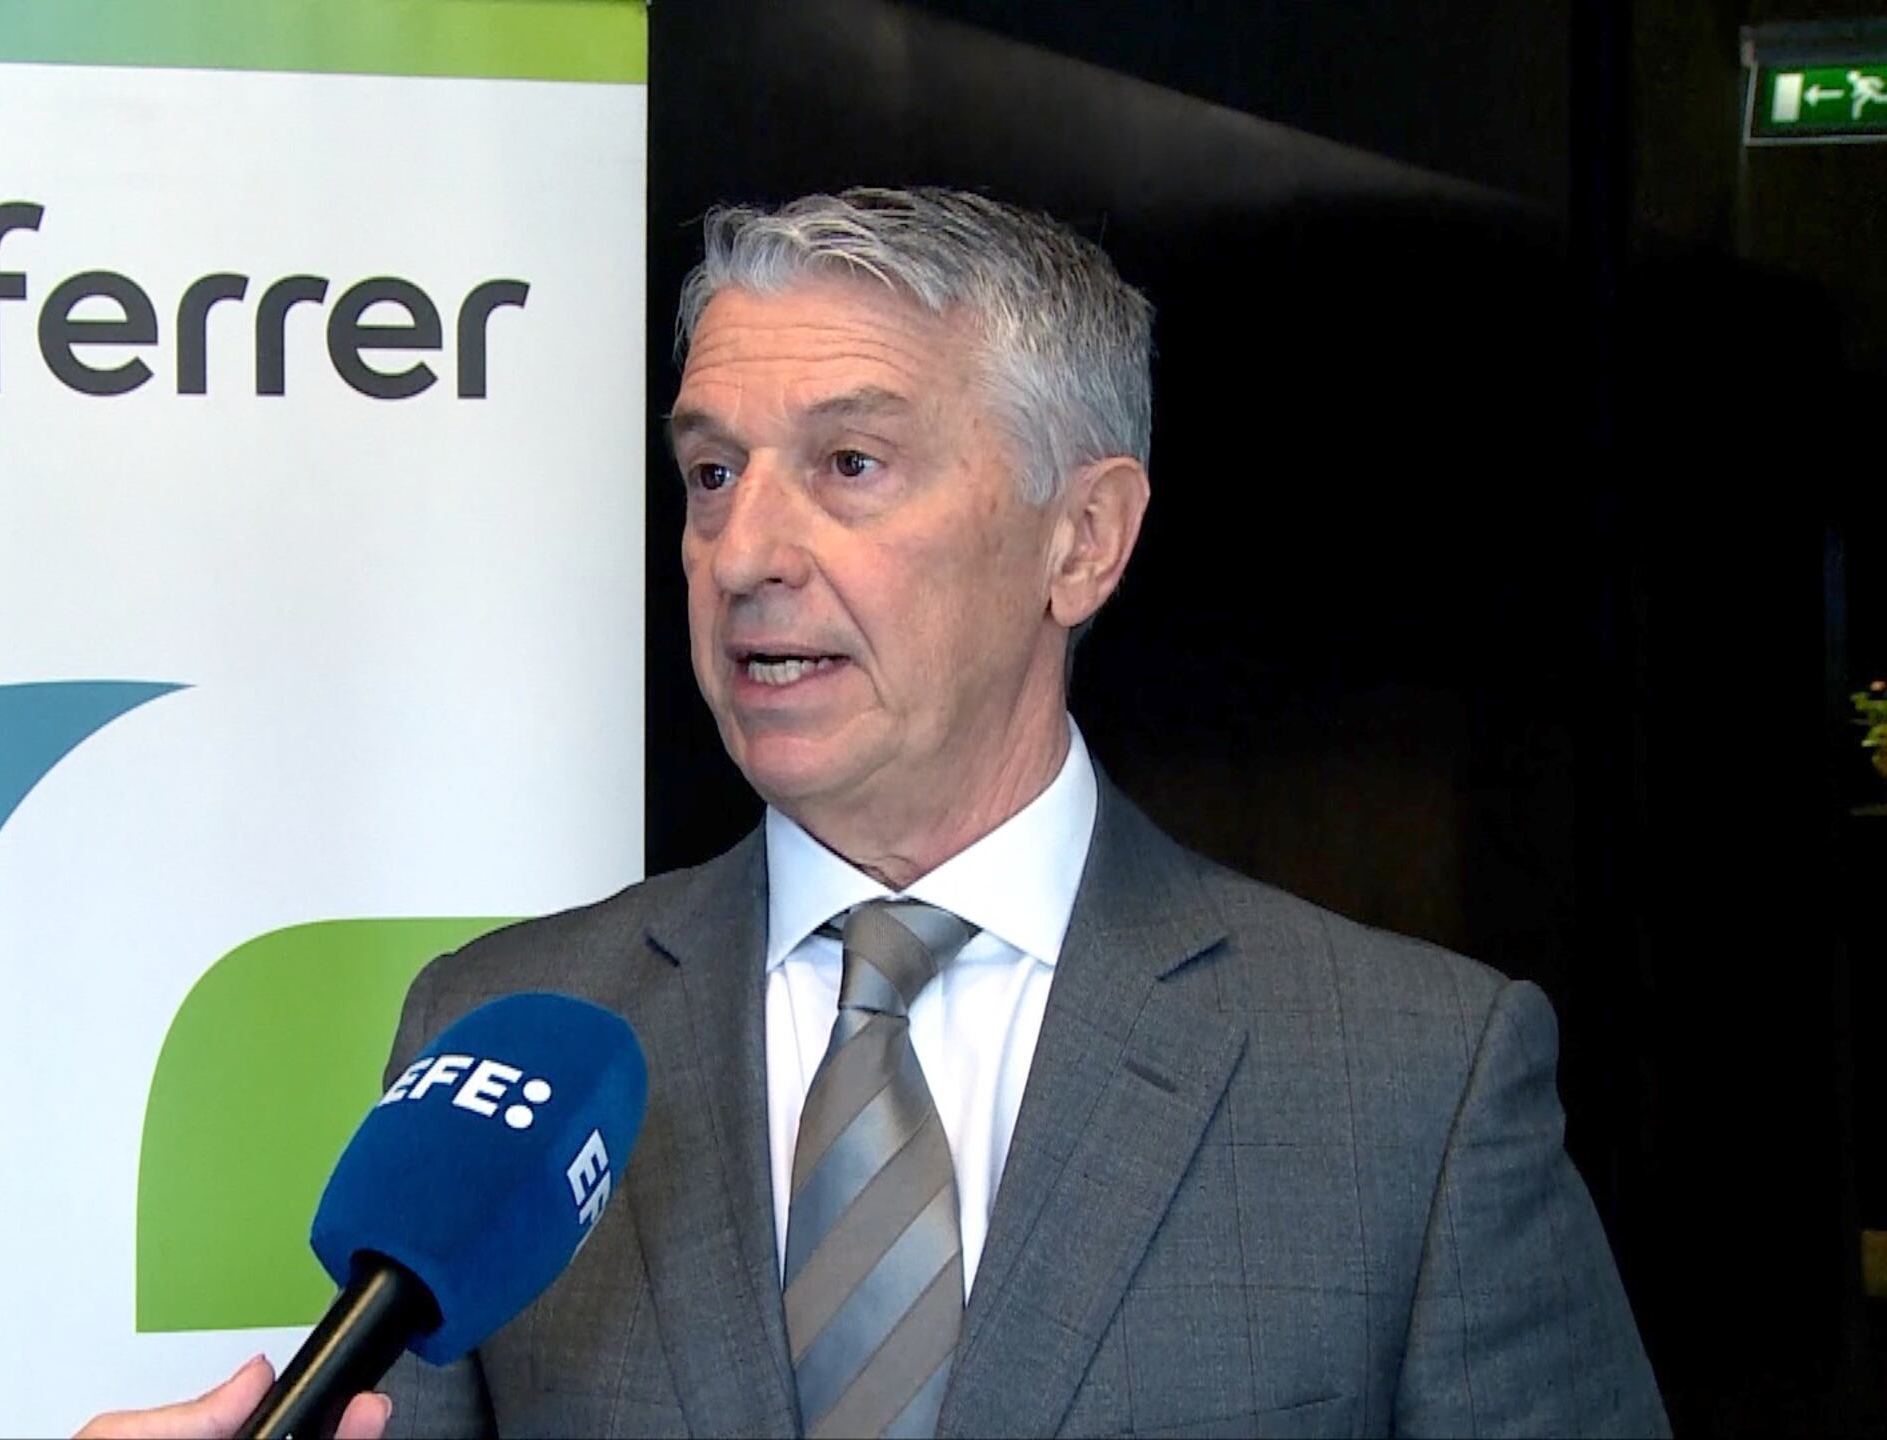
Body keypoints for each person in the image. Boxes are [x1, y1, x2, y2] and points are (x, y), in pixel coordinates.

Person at [91, 187, 1669, 1438]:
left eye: (849, 463)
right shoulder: (509, 1036)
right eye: (713, 475)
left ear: (1084, 540)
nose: (744, 554)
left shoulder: (1411, 1087)